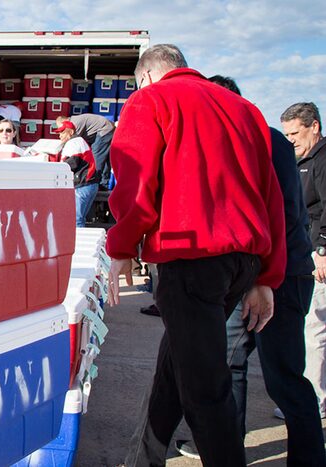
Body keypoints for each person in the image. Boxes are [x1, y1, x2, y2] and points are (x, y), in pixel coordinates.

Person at [106, 44, 286, 467]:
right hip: (242, 260)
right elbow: (270, 196)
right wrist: (266, 276)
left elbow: (136, 181)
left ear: (147, 76)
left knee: (205, 390)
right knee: (177, 367)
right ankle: (143, 459)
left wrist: (121, 246)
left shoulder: (149, 99)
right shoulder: (245, 110)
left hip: (189, 256)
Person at [158, 76, 325, 465]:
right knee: (252, 369)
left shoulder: (257, 141)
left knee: (270, 374)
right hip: (271, 272)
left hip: (273, 275)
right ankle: (231, 448)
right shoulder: (264, 141)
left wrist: (262, 278)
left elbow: (278, 214)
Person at [281, 102, 326, 420]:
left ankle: (314, 400)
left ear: (315, 127)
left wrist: (323, 251)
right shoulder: (301, 158)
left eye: (295, 133)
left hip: (318, 255)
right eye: (286, 134)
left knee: (315, 327)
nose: (291, 140)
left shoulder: (322, 161)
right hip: (306, 251)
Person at [53, 119, 99, 227]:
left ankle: (77, 243)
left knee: (76, 220)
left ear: (71, 132)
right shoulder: (79, 141)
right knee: (79, 219)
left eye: (63, 132)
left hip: (83, 185)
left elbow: (71, 164)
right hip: (89, 184)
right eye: (59, 133)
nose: (60, 136)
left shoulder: (73, 142)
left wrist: (54, 169)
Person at [56, 114, 114, 190]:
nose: (61, 133)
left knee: (97, 157)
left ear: (65, 122)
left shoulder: (75, 124)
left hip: (104, 130)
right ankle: (104, 184)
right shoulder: (74, 121)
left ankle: (96, 182)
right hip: (106, 128)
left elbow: (73, 140)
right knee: (104, 158)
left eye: (62, 130)